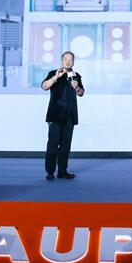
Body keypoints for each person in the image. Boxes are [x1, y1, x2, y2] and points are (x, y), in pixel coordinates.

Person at [41, 51, 84, 181]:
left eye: (71, 60)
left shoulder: (76, 76)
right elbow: (44, 86)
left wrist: (76, 88)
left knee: (66, 145)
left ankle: (62, 171)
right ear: (62, 60)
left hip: (70, 115)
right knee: (53, 144)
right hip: (55, 114)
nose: (68, 62)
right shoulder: (53, 73)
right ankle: (50, 171)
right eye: (66, 59)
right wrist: (55, 78)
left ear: (73, 62)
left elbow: (81, 93)